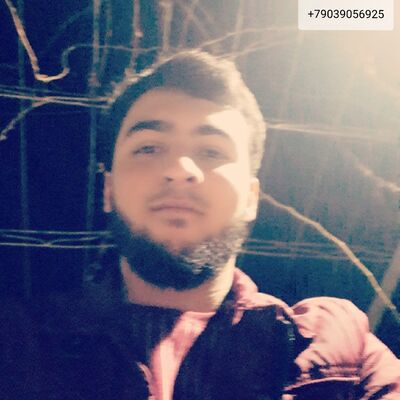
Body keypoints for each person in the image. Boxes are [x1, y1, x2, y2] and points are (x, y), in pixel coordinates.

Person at [2, 50, 400, 400]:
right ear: (108, 190)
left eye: (212, 151)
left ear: (251, 197)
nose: (180, 169)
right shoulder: (19, 344)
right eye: (148, 148)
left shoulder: (342, 357)